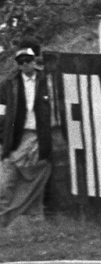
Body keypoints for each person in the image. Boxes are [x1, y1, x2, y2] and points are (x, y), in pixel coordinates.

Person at [0, 46, 52, 228]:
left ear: (34, 61)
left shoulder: (46, 80)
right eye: (21, 62)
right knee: (6, 180)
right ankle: (4, 220)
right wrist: (3, 137)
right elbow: (2, 112)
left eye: (28, 60)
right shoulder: (9, 83)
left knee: (36, 176)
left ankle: (36, 219)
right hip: (16, 137)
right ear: (18, 65)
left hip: (39, 136)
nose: (25, 65)